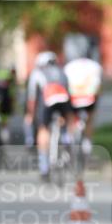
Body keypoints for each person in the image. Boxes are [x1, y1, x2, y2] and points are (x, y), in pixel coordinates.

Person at [24, 51, 71, 180]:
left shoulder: (37, 73)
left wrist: (30, 115)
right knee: (64, 121)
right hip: (63, 101)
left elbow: (32, 98)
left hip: (47, 103)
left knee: (43, 130)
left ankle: (44, 167)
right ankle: (67, 139)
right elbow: (68, 91)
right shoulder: (63, 72)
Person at [63, 39, 102, 154]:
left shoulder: (69, 66)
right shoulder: (95, 66)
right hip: (90, 98)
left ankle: (69, 138)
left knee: (70, 118)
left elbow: (65, 85)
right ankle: (87, 142)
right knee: (90, 119)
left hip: (73, 98)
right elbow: (98, 86)